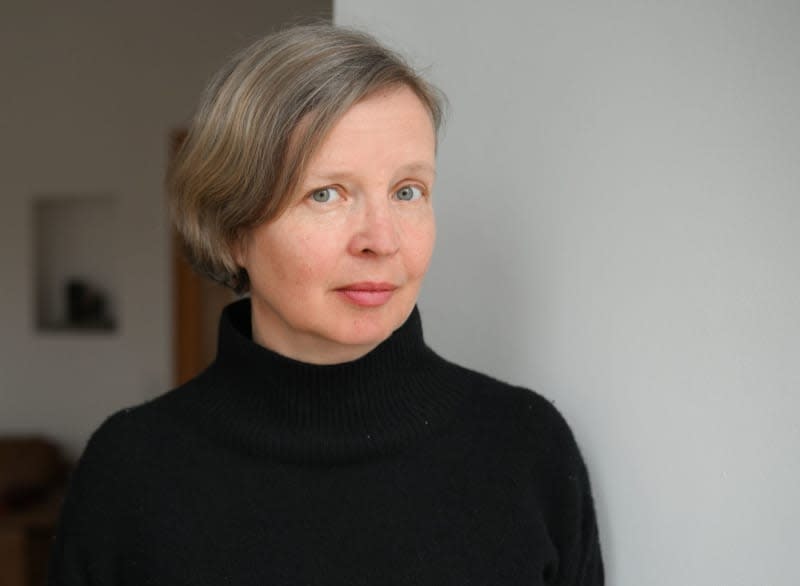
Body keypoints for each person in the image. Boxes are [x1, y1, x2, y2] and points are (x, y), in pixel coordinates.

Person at [48, 24, 604, 585]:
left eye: (407, 191)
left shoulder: (526, 450)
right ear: (232, 231)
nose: (381, 240)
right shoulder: (130, 473)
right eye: (326, 194)